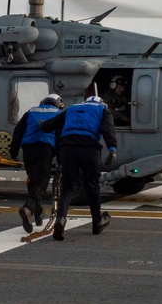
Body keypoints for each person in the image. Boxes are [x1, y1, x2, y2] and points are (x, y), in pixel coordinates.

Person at [38, 95, 117, 241]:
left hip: (68, 149)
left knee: (68, 187)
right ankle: (97, 222)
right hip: (89, 149)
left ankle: (60, 220)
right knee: (92, 185)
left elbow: (50, 125)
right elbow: (108, 130)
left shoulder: (72, 108)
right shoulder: (103, 110)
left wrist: (41, 124)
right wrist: (112, 149)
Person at [8, 93, 64, 232]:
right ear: (57, 103)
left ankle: (38, 211)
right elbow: (60, 137)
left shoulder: (31, 111)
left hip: (28, 148)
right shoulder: (58, 113)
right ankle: (28, 208)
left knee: (33, 180)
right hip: (46, 148)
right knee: (42, 181)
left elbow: (18, 132)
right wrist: (60, 159)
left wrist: (13, 153)